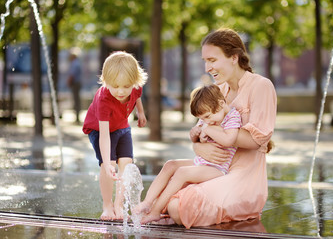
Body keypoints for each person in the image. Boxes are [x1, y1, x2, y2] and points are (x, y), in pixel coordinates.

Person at [162, 28, 277, 229]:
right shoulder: (219, 90)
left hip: (244, 179)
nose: (207, 67)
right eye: (205, 61)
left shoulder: (261, 86)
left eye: (212, 60)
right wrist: (199, 147)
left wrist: (216, 133)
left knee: (176, 207)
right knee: (170, 181)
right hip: (216, 169)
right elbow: (199, 131)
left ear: (234, 57)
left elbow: (256, 139)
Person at [135, 84, 242, 224]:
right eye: (203, 118)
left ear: (221, 104)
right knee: (170, 165)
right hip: (202, 163)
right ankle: (148, 202)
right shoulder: (208, 116)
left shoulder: (232, 117)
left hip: (217, 169)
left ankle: (155, 211)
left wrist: (207, 129)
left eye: (207, 117)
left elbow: (229, 140)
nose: (207, 120)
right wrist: (196, 134)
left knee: (182, 173)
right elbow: (195, 135)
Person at [82, 51, 148, 220]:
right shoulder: (103, 99)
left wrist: (140, 113)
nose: (120, 91)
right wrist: (106, 163)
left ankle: (118, 204)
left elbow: (137, 95)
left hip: (122, 125)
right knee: (109, 164)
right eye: (115, 86)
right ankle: (107, 205)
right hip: (99, 129)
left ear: (134, 82)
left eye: (126, 86)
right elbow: (104, 135)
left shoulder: (134, 87)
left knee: (126, 162)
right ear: (106, 81)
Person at [67, 49, 82, 123]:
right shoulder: (77, 63)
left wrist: (69, 82)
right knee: (76, 100)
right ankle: (77, 116)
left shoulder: (74, 64)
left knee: (76, 100)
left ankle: (77, 117)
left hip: (75, 83)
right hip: (77, 83)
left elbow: (72, 75)